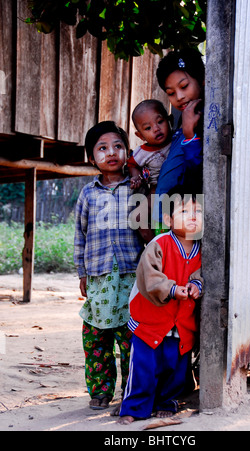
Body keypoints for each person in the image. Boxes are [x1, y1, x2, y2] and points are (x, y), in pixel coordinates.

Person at [118, 186, 204, 424]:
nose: (193, 216)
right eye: (185, 210)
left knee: (174, 368)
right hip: (150, 321)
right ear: (168, 219)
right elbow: (150, 277)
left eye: (199, 211)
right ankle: (135, 407)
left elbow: (202, 274)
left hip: (181, 324)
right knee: (144, 367)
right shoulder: (159, 243)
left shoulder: (203, 250)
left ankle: (167, 402)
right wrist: (173, 289)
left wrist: (197, 285)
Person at [74, 121, 143, 411]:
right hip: (99, 277)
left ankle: (131, 391)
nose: (111, 153)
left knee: (130, 337)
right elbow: (80, 234)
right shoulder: (88, 194)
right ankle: (101, 390)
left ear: (127, 152)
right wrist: (82, 272)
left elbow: (150, 228)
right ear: (92, 158)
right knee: (96, 337)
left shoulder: (138, 187)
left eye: (117, 146)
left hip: (132, 275)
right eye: (102, 148)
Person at [153, 48, 205, 225]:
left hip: (184, 221)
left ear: (202, 79)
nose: (180, 97)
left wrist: (190, 135)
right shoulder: (181, 122)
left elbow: (198, 174)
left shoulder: (203, 122)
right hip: (167, 219)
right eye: (171, 93)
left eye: (184, 87)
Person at [128, 99, 172, 193]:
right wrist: (136, 175)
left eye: (160, 121)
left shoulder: (177, 140)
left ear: (169, 121)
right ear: (141, 136)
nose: (156, 129)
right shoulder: (142, 152)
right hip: (157, 189)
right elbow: (131, 164)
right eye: (148, 128)